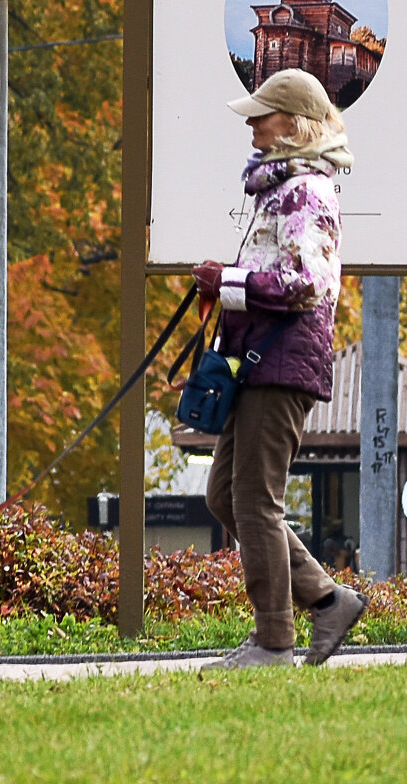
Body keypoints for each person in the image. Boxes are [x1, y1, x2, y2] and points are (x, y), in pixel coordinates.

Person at [196, 69, 367, 669]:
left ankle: (274, 642)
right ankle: (326, 598)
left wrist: (230, 282)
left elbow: (307, 285)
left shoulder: (307, 193)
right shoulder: (280, 189)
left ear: (292, 124)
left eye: (260, 114)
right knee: (225, 495)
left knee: (255, 501)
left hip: (284, 361)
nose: (250, 123)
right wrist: (226, 289)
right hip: (260, 360)